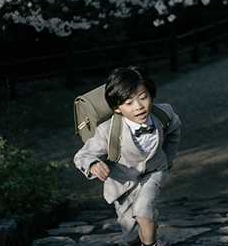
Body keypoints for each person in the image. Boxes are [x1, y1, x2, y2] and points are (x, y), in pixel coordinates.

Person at [74, 66, 181, 246]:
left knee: (143, 211)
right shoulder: (108, 131)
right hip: (121, 184)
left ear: (151, 93)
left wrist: (169, 157)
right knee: (131, 236)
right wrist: (93, 164)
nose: (139, 106)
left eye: (143, 97)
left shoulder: (163, 114)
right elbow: (82, 155)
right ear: (117, 107)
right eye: (129, 103)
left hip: (154, 172)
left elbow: (174, 129)